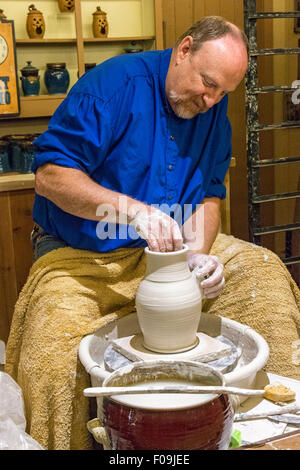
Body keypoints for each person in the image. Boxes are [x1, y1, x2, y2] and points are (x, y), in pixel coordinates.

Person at [5, 16, 300, 450]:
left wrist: (198, 255)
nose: (211, 98)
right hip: (84, 254)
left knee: (265, 278)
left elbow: (208, 197)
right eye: (207, 82)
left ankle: (270, 432)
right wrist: (134, 213)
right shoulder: (109, 88)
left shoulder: (213, 111)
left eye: (223, 92)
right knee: (52, 346)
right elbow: (50, 177)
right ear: (184, 49)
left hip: (169, 253)